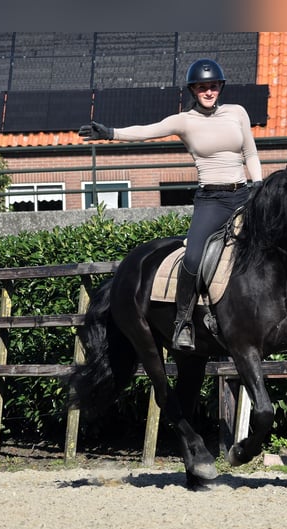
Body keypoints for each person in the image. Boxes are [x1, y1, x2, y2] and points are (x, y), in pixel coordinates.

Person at [79, 58, 263, 351]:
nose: (209, 92)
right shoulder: (184, 121)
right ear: (193, 90)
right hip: (212, 200)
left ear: (220, 87)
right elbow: (146, 130)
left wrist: (257, 184)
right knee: (192, 258)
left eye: (213, 86)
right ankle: (183, 322)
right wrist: (110, 133)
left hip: (244, 194)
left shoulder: (237, 113)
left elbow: (250, 153)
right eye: (202, 87)